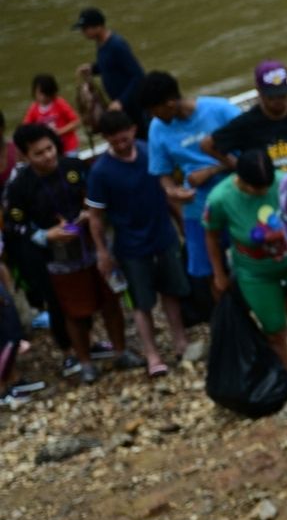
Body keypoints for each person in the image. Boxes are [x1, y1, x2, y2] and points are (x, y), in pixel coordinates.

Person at [5, 124, 143, 383]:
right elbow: (13, 224)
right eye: (39, 153)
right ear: (25, 156)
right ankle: (85, 363)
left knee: (111, 301)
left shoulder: (73, 167)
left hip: (94, 245)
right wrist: (46, 235)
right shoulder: (20, 187)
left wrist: (90, 213)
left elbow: (98, 196)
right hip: (58, 258)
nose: (48, 156)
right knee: (73, 311)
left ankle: (121, 351)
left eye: (50, 148)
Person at [203, 60, 287, 346]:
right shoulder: (248, 123)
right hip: (263, 201)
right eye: (272, 97)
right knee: (273, 257)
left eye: (283, 96)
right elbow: (209, 144)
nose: (279, 103)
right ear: (259, 94)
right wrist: (238, 167)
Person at [86, 111, 190, 377]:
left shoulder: (149, 153)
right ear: (107, 139)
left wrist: (181, 226)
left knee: (172, 292)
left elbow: (167, 193)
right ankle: (152, 354)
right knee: (141, 303)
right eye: (115, 141)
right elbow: (96, 217)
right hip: (130, 246)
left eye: (124, 138)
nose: (121, 144)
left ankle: (180, 341)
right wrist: (102, 252)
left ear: (133, 130)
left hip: (163, 236)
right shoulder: (100, 172)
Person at [204, 150, 287, 371]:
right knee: (275, 328)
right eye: (256, 188)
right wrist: (218, 273)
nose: (264, 191)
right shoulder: (219, 198)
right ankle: (284, 374)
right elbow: (211, 236)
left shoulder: (284, 181)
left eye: (266, 186)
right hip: (255, 270)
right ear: (240, 180)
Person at [138, 71, 241, 313]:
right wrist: (172, 191)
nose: (152, 117)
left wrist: (211, 170)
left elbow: (251, 153)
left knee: (248, 260)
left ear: (170, 103)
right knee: (209, 271)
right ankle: (230, 320)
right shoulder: (157, 129)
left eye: (154, 110)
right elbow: (161, 172)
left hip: (237, 198)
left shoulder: (221, 110)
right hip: (197, 207)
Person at [73, 7, 147, 138]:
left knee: (140, 136)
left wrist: (121, 101)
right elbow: (110, 66)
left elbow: (138, 75)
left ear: (98, 27)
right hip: (120, 105)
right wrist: (93, 68)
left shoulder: (116, 45)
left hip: (133, 105)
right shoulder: (101, 44)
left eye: (85, 28)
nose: (83, 32)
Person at [22, 74, 81, 156]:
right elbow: (26, 127)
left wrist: (60, 132)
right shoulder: (33, 109)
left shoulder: (60, 103)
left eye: (44, 94)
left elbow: (76, 122)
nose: (42, 97)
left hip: (68, 147)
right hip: (49, 151)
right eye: (39, 93)